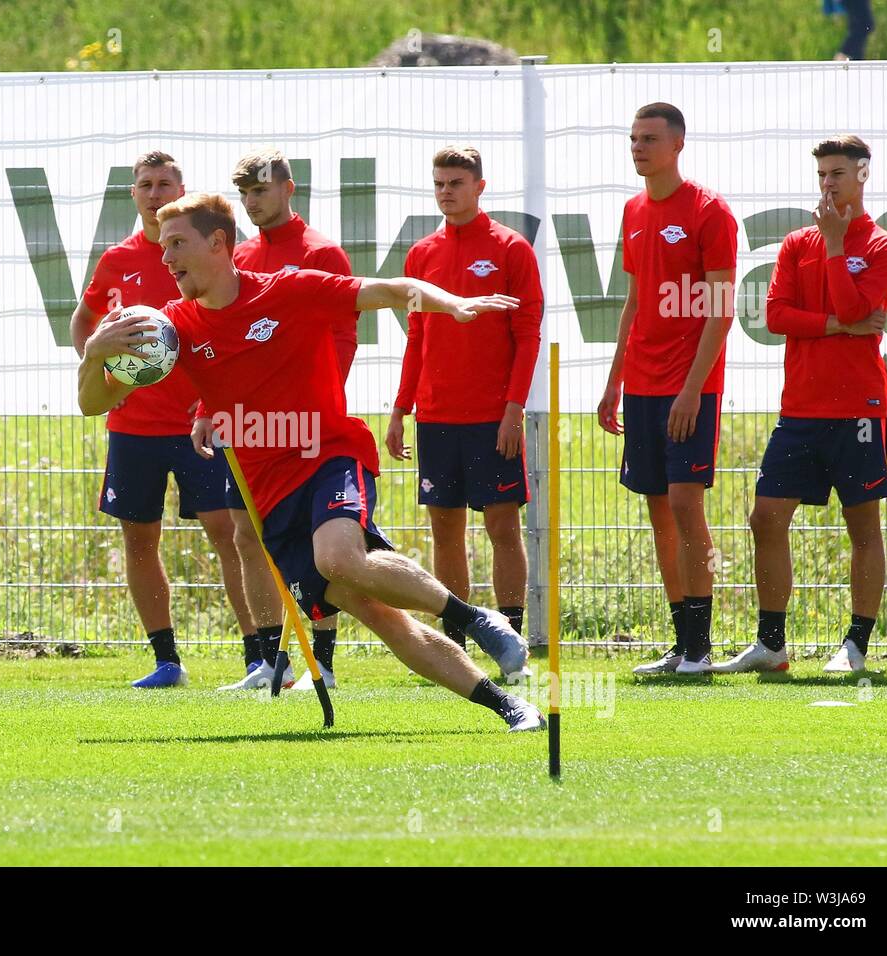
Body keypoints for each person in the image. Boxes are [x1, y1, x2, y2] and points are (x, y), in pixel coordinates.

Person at [78, 192, 546, 732]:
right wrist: (95, 353)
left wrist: (452, 303)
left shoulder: (289, 289)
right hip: (268, 496)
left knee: (338, 558)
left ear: (218, 244)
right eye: (163, 248)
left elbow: (392, 290)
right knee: (375, 612)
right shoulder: (174, 329)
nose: (166, 258)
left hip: (327, 454)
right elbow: (95, 402)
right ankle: (510, 706)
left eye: (177, 244)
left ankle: (476, 621)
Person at [713, 135, 887, 674]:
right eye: (823, 173)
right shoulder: (797, 243)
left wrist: (837, 246)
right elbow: (776, 316)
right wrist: (836, 326)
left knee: (862, 527)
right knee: (765, 518)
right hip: (800, 408)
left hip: (859, 409)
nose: (827, 183)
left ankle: (855, 646)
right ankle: (772, 644)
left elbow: (857, 305)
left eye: (838, 173)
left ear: (863, 175)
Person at [69, 152, 257, 688]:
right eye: (145, 185)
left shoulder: (203, 253)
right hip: (134, 428)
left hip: (199, 423)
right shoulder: (115, 261)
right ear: (133, 194)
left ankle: (258, 655)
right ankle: (167, 661)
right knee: (139, 539)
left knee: (229, 533)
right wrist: (103, 372)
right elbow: (84, 321)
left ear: (181, 189)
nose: (155, 193)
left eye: (165, 184)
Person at [196, 148, 358, 692]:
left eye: (260, 191)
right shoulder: (237, 256)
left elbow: (342, 335)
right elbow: (217, 339)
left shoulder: (321, 253)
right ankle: (270, 662)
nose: (251, 202)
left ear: (289, 189)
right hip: (243, 424)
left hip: (303, 424)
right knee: (247, 535)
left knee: (313, 538)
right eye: (244, 194)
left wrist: (315, 404)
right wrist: (205, 409)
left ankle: (324, 663)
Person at [597, 103, 738, 675]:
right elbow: (633, 301)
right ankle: (682, 644)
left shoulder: (709, 212)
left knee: (685, 504)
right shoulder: (632, 209)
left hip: (690, 388)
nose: (638, 147)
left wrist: (691, 389)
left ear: (678, 143)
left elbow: (722, 311)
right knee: (659, 511)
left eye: (649, 138)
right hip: (644, 386)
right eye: (633, 138)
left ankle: (702, 647)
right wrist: (613, 382)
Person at [386, 145, 543, 653]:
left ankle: (511, 635)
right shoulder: (422, 254)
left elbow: (528, 336)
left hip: (491, 418)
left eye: (455, 183)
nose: (446, 192)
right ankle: (457, 639)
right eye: (438, 183)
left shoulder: (511, 248)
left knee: (501, 525)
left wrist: (513, 410)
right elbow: (417, 337)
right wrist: (400, 409)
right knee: (445, 529)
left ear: (479, 186)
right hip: (436, 417)